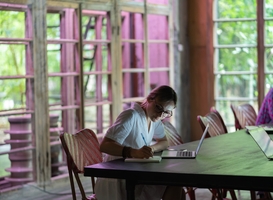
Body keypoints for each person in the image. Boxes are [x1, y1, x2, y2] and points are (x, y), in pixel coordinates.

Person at [94, 85, 186, 200]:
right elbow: (105, 145)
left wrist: (151, 149)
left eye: (166, 112)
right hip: (118, 178)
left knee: (178, 188)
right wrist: (132, 152)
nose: (161, 115)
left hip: (134, 173)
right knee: (174, 185)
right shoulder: (131, 116)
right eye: (158, 108)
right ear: (149, 99)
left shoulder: (153, 119)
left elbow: (164, 142)